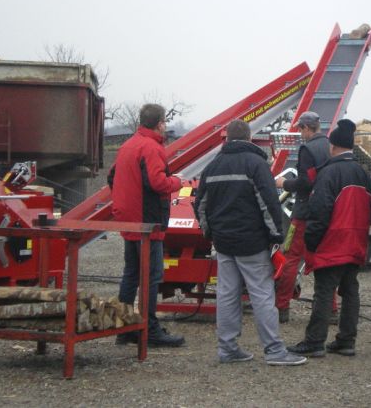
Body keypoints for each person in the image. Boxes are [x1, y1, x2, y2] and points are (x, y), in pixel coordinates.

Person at [194, 119, 307, 366]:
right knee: (262, 294)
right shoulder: (256, 164)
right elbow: (268, 203)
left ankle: (227, 348)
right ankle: (275, 351)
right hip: (252, 242)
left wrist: (209, 233)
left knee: (226, 294)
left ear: (227, 139)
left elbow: (199, 204)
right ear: (248, 138)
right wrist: (276, 236)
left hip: (223, 242)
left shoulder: (212, 167)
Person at [287, 119, 371, 357]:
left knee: (324, 292)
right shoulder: (363, 173)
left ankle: (315, 341)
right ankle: (346, 340)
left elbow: (319, 211)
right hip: (356, 242)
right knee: (350, 291)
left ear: (332, 146)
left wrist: (312, 243)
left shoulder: (328, 173)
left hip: (332, 243)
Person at [108, 103, 186, 347]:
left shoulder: (128, 145)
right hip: (147, 221)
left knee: (131, 274)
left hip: (130, 220)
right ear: (160, 123)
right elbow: (157, 182)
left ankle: (124, 327)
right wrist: (176, 182)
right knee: (152, 276)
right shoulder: (152, 147)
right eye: (165, 122)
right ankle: (149, 329)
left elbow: (112, 177)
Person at [275, 111, 331, 323]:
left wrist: (285, 184)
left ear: (307, 128)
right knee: (323, 261)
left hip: (304, 213)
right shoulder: (329, 146)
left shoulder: (307, 149)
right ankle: (330, 309)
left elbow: (305, 182)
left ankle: (281, 307)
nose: (300, 133)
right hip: (324, 213)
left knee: (291, 258)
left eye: (300, 129)